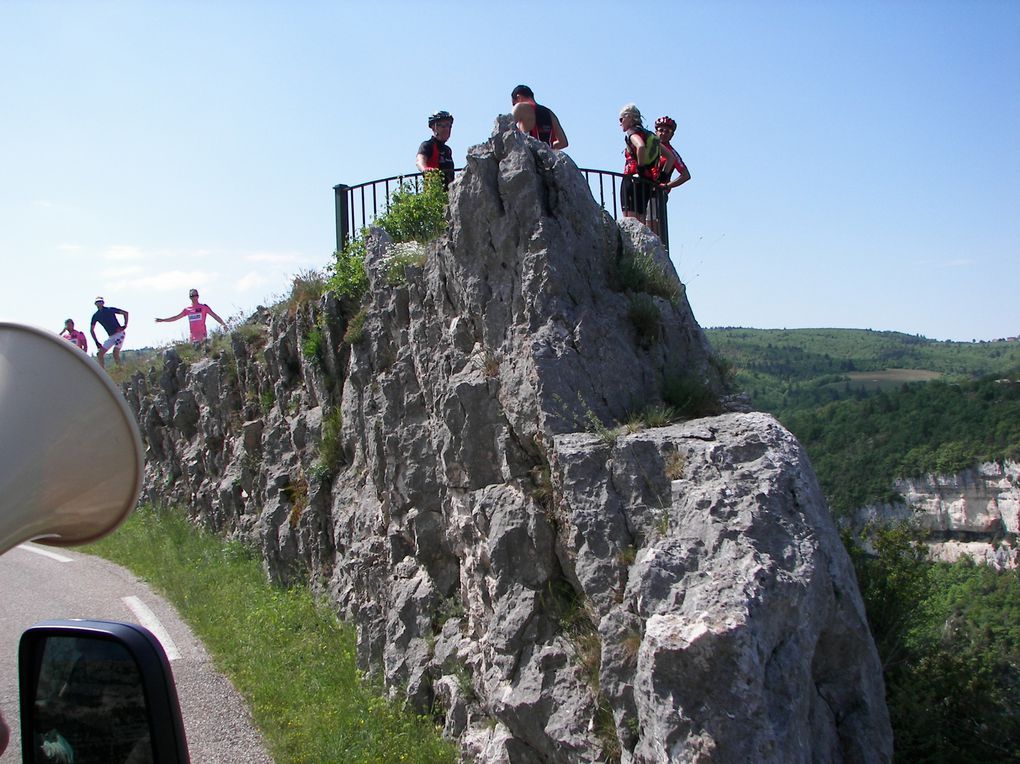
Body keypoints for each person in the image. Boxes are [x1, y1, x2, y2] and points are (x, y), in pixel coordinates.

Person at [619, 103, 661, 231]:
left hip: (632, 179)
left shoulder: (632, 132)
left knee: (630, 219)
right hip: (647, 182)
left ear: (629, 118)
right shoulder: (649, 134)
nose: (620, 123)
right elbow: (669, 157)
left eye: (621, 119)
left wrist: (640, 168)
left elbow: (640, 146)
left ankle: (631, 249)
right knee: (641, 219)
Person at [653, 116, 692, 240]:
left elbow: (685, 175)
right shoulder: (650, 147)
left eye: (667, 131)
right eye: (660, 130)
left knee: (654, 223)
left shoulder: (672, 153)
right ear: (656, 131)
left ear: (672, 135)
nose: (663, 133)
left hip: (658, 193)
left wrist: (667, 185)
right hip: (643, 189)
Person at [155, 288, 227, 346]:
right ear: (190, 297)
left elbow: (215, 316)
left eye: (196, 295)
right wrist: (163, 320)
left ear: (198, 296)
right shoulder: (187, 310)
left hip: (202, 335)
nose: (194, 297)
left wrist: (223, 324)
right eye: (192, 296)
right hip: (192, 337)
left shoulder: (204, 307)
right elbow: (176, 317)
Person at [510, 85, 568, 150]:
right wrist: (547, 148)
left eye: (513, 104)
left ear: (519, 97)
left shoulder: (520, 107)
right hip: (546, 157)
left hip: (529, 155)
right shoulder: (550, 113)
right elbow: (563, 143)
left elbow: (506, 129)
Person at [416, 110, 455, 187]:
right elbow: (419, 161)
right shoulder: (427, 145)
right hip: (434, 190)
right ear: (434, 127)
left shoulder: (448, 150)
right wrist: (426, 170)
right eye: (443, 126)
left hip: (450, 192)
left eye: (449, 125)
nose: (447, 129)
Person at [89, 297, 128, 369]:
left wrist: (125, 325)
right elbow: (91, 330)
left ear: (103, 302)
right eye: (97, 302)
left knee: (115, 352)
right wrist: (96, 342)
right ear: (95, 304)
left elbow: (125, 313)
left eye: (100, 301)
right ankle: (102, 373)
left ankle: (120, 370)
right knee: (100, 354)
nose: (99, 303)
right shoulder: (96, 315)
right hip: (111, 336)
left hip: (119, 333)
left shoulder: (110, 310)